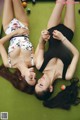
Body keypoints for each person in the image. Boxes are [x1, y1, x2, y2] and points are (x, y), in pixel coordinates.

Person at [35, 0, 79, 100]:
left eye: (37, 83)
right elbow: (76, 54)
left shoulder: (39, 65)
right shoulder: (67, 75)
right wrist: (63, 38)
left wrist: (42, 37)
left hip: (52, 29)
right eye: (41, 85)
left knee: (60, 1)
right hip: (68, 33)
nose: (39, 81)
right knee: (70, 2)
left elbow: (41, 46)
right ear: (50, 88)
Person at [0, 0, 36, 93]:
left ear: (21, 78)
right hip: (23, 24)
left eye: (31, 78)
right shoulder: (33, 61)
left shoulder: (9, 63)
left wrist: (15, 32)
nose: (34, 75)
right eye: (35, 77)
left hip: (8, 28)